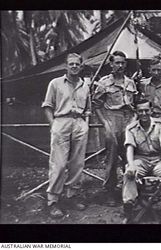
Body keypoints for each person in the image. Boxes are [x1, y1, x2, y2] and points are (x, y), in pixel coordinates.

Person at [42, 53, 91, 218]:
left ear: (81, 66)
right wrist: (53, 125)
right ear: (66, 66)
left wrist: (85, 124)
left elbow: (88, 108)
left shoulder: (85, 85)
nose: (75, 66)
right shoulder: (55, 83)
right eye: (71, 64)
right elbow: (47, 106)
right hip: (61, 123)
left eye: (77, 64)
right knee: (59, 164)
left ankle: (72, 196)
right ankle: (53, 201)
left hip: (79, 124)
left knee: (77, 164)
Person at [122, 99, 161, 224]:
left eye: (146, 110)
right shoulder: (131, 128)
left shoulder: (160, 125)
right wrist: (131, 165)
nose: (143, 113)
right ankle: (128, 211)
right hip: (140, 159)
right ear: (136, 112)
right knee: (129, 174)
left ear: (151, 110)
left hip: (158, 159)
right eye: (140, 111)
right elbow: (130, 148)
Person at [92, 51, 137, 205]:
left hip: (129, 120)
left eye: (123, 63)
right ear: (111, 64)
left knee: (130, 156)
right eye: (117, 62)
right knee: (111, 158)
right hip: (112, 118)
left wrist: (133, 122)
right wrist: (105, 123)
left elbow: (135, 104)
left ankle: (129, 191)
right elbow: (96, 105)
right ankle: (110, 191)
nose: (120, 66)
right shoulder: (104, 83)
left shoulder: (130, 83)